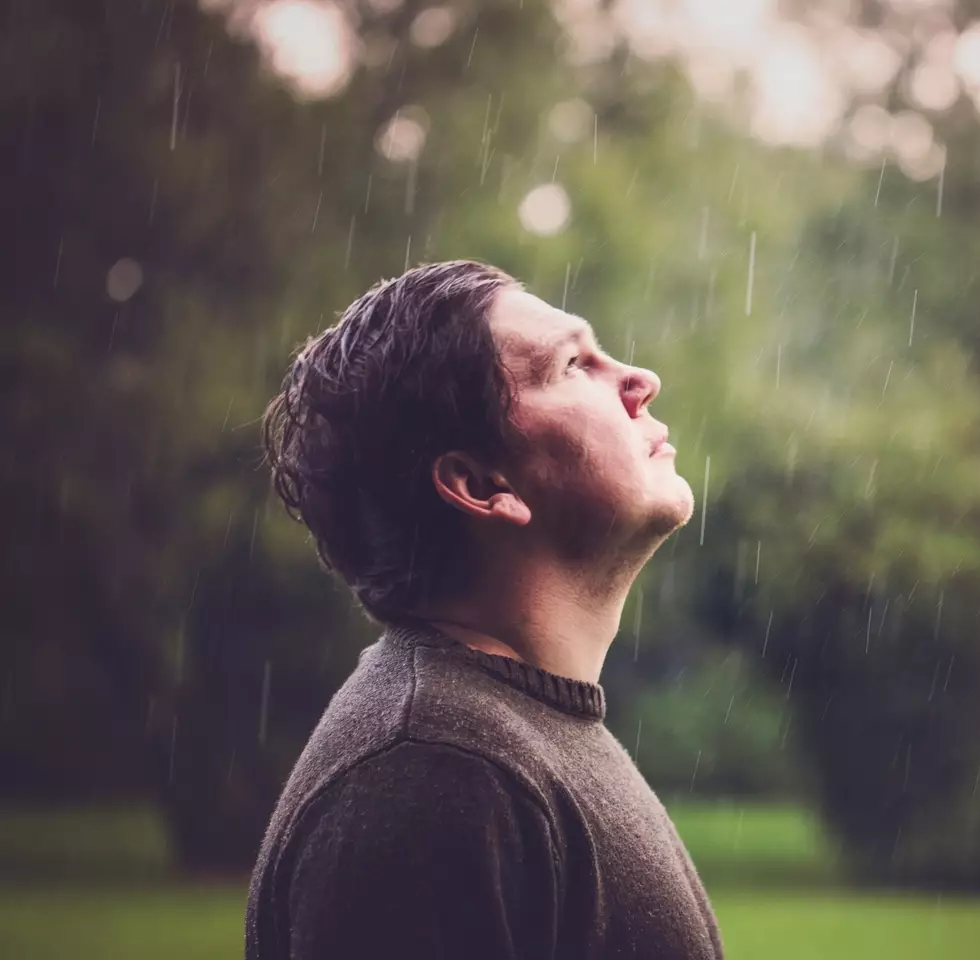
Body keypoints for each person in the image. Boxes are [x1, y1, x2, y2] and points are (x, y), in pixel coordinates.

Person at [245, 260, 721, 960]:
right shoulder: (431, 775)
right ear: (481, 484)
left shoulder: (509, 740)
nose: (640, 380)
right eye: (572, 365)